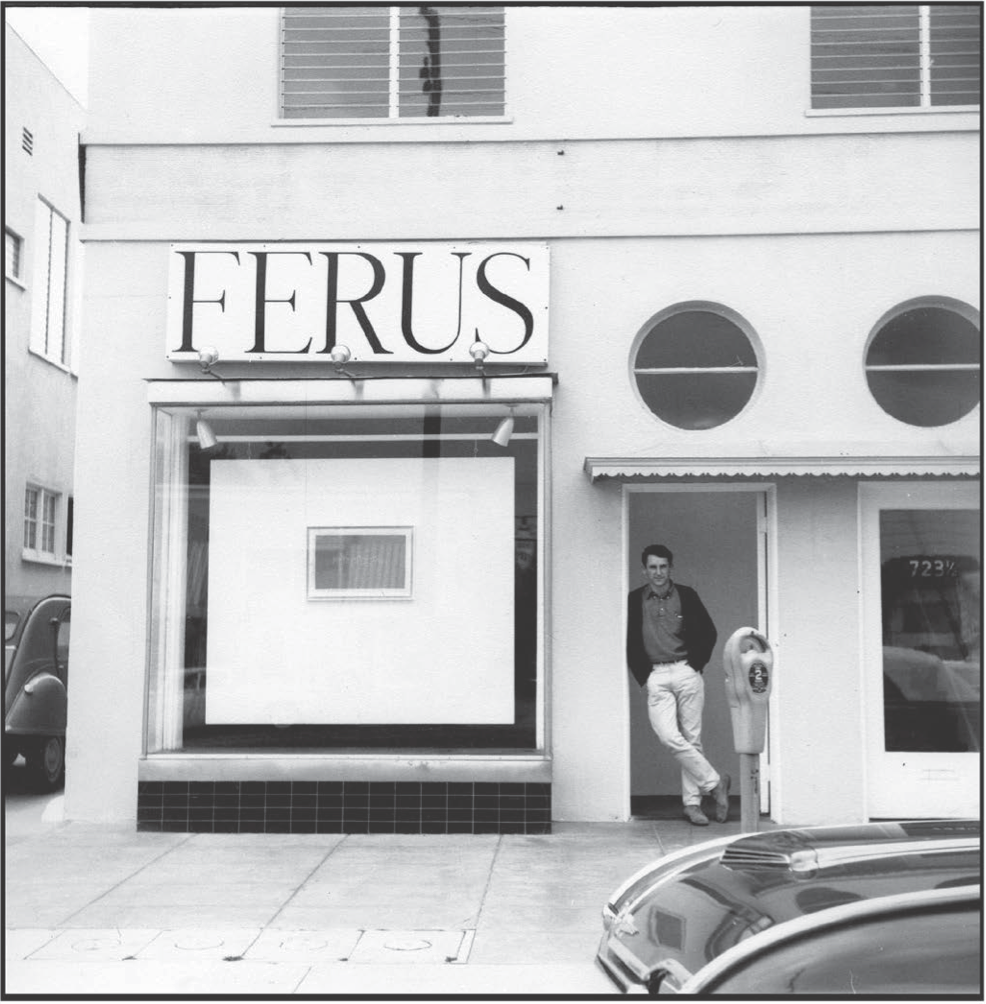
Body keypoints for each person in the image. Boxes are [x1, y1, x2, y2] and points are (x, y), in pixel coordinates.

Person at [626, 543, 730, 826]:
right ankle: (715, 784)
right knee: (670, 737)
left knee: (692, 738)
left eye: (663, 566)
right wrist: (644, 674)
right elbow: (629, 637)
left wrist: (695, 665)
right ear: (644, 570)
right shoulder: (634, 599)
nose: (658, 572)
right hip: (656, 675)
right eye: (652, 567)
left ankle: (692, 805)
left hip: (686, 670)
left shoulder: (687, 595)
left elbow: (709, 631)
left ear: (670, 568)